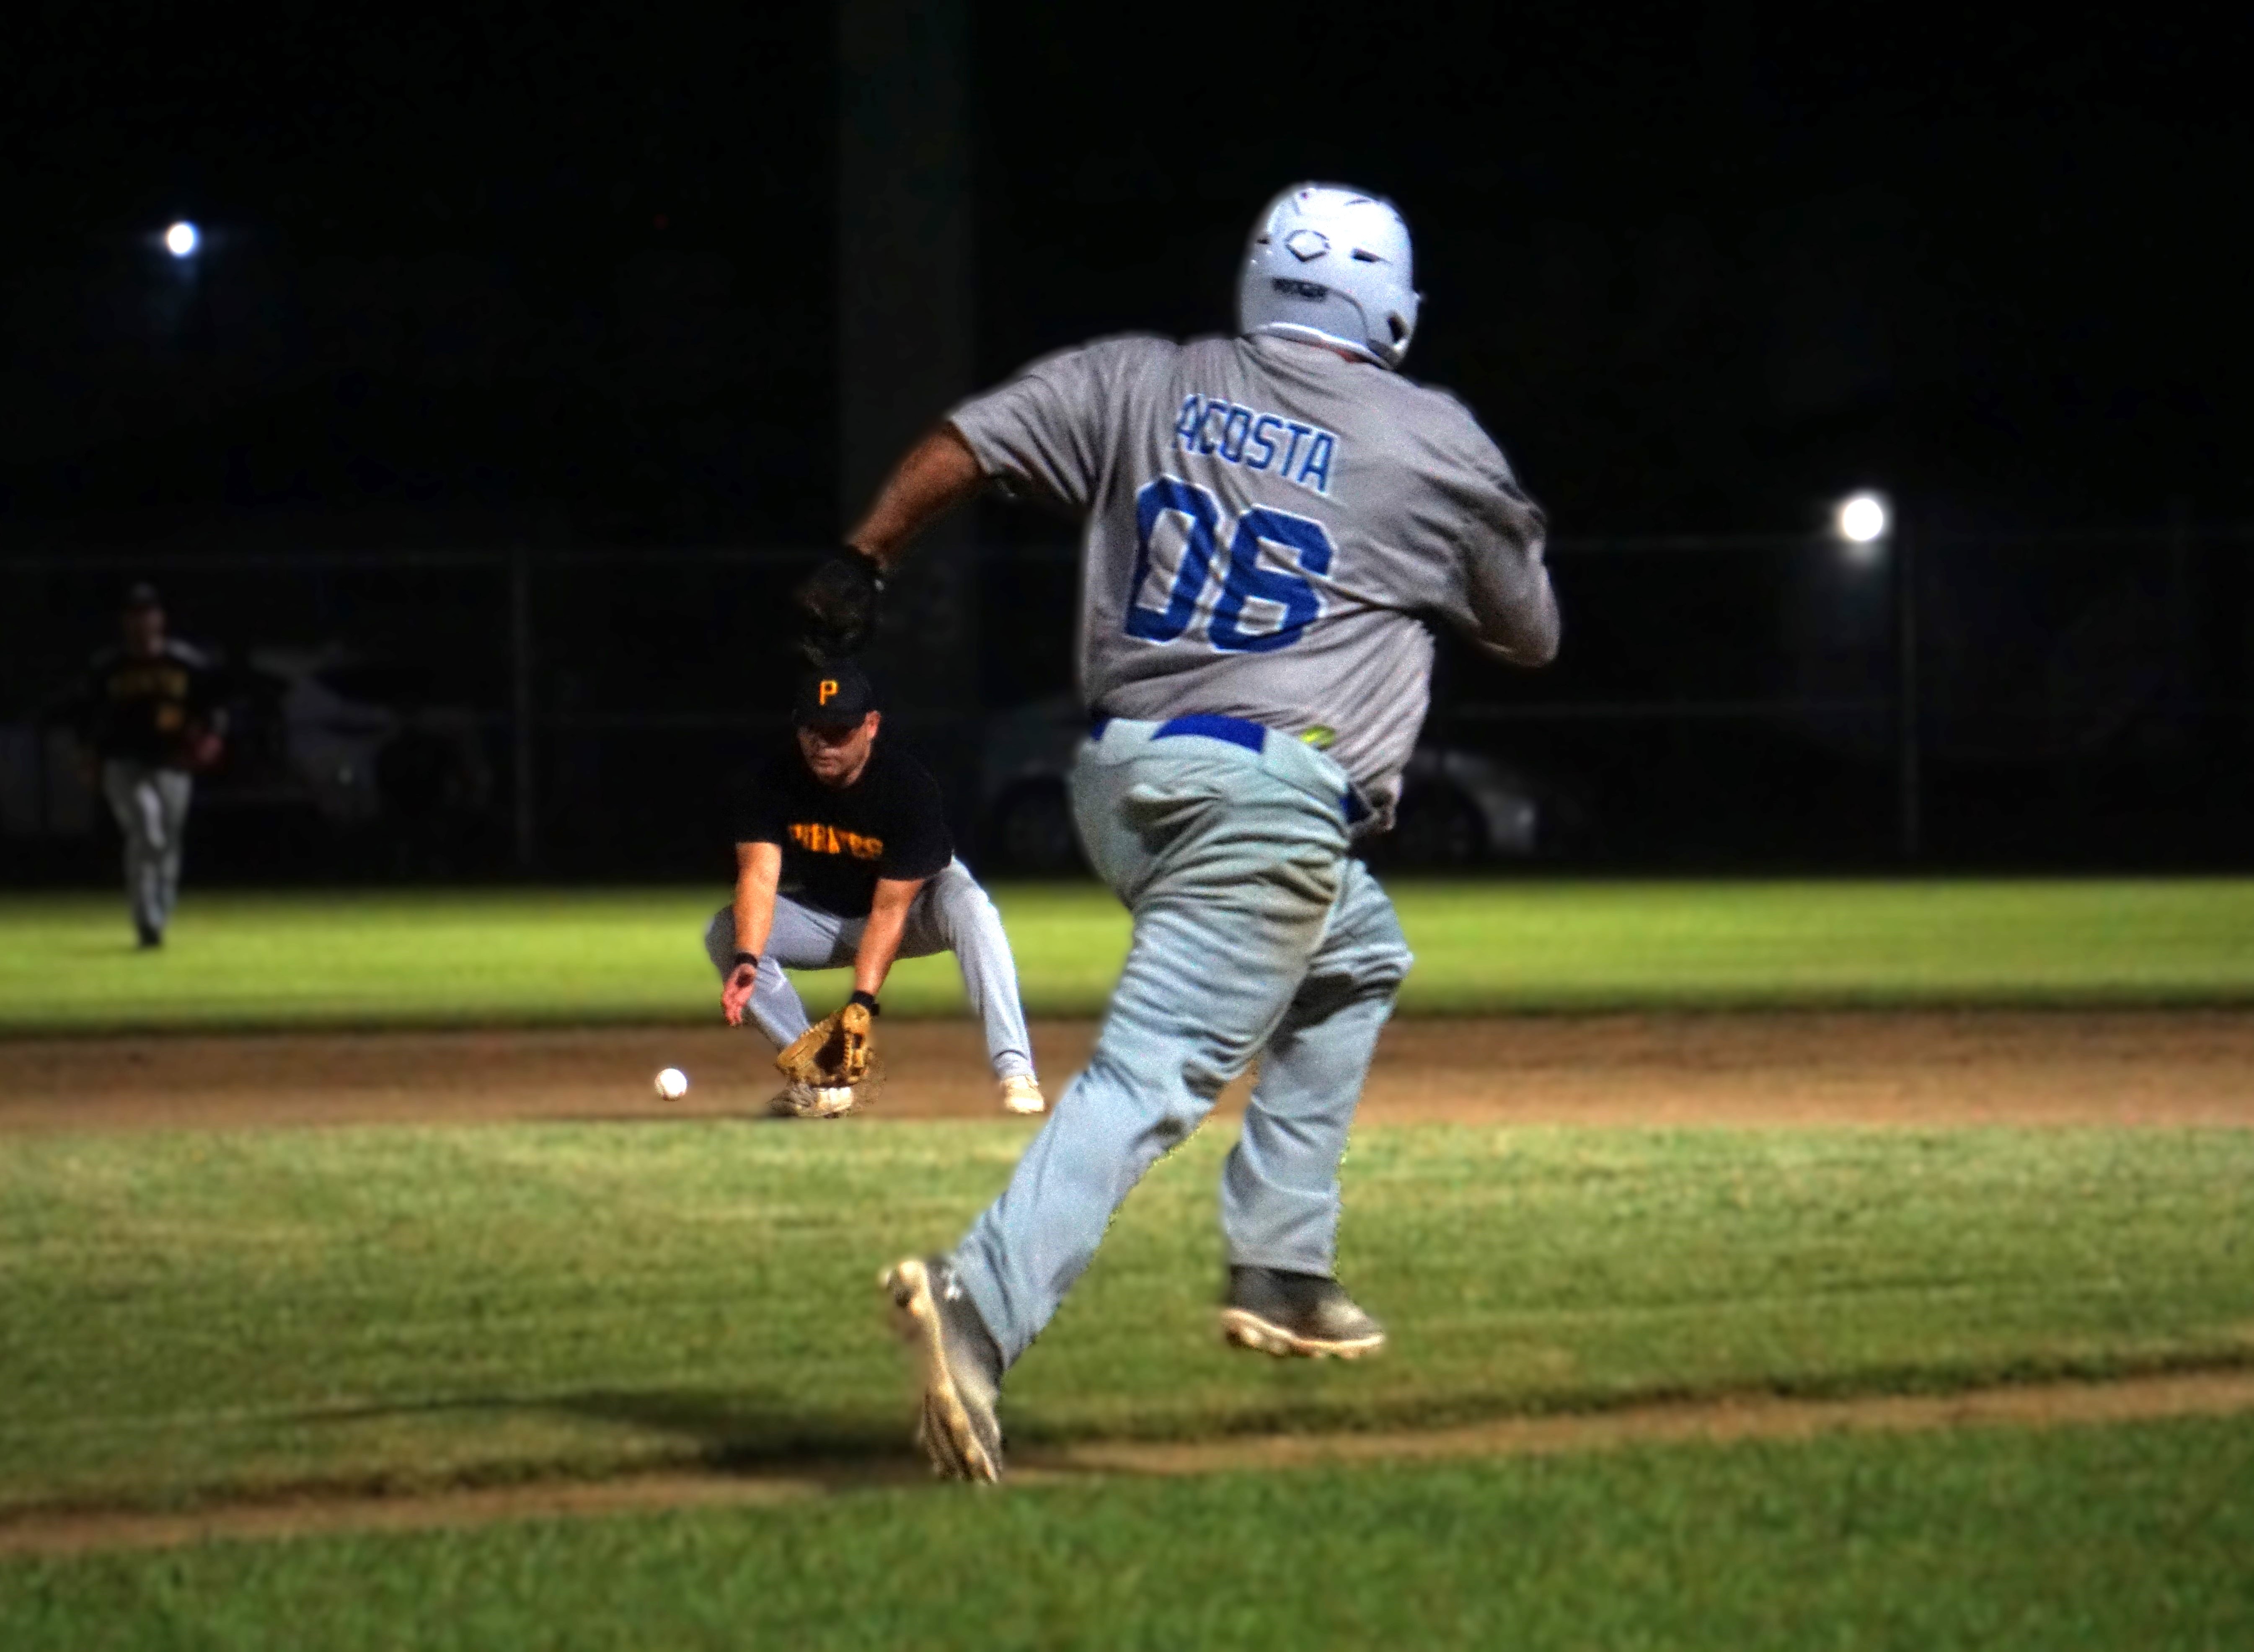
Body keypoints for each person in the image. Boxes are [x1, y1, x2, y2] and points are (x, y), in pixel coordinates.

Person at [799, 183, 1561, 1480]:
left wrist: (863, 557)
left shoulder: (1145, 379)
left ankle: (1279, 1261)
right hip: (1266, 800)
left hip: (1129, 783)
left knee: (1355, 961)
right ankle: (977, 1304)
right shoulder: (1429, 442)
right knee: (1150, 1076)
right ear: (1388, 306)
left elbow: (970, 441)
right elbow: (1527, 631)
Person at [705, 660, 1045, 1118]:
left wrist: (860, 1005)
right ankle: (820, 1078)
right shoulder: (771, 781)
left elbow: (890, 909)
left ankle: (1015, 1069)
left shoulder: (906, 787)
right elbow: (759, 878)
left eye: (838, 730)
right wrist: (747, 957)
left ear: (871, 725)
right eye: (812, 729)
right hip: (827, 916)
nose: (823, 743)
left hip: (914, 913)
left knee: (971, 907)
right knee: (727, 931)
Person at [68, 584, 228, 948]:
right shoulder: (109, 667)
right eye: (134, 614)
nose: (141, 621)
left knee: (168, 842)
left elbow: (214, 707)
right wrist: (88, 757)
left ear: (160, 619)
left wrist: (211, 739)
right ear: (125, 622)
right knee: (147, 833)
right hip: (124, 764)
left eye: (148, 613)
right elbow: (85, 716)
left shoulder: (185, 663)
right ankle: (146, 921)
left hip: (173, 764)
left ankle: (160, 912)